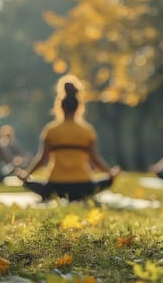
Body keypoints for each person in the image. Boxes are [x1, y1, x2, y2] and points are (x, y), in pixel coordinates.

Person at [17, 74, 120, 202]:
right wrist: (111, 174)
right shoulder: (87, 131)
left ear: (60, 106)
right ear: (79, 107)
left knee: (31, 184)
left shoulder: (50, 130)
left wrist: (26, 175)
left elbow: (42, 159)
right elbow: (95, 160)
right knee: (107, 181)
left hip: (55, 187)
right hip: (84, 186)